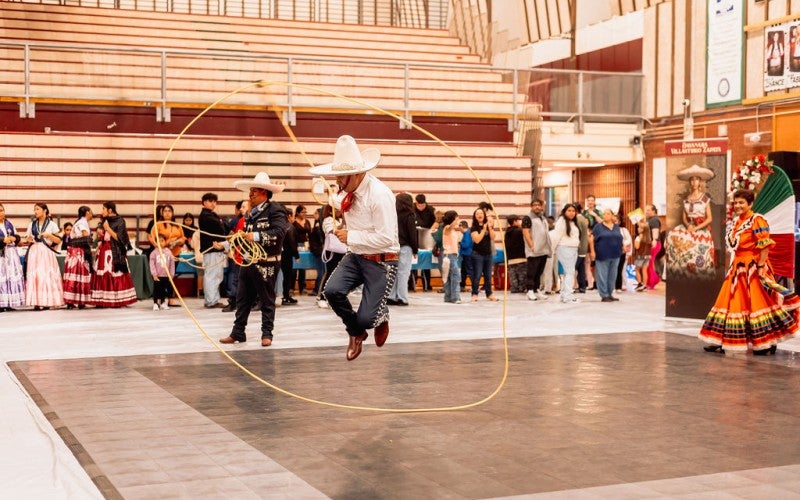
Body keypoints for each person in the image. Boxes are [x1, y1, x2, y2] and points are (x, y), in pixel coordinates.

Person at [310, 135, 398, 361]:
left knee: (367, 318)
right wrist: (330, 224)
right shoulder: (346, 192)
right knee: (331, 291)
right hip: (356, 254)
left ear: (357, 173)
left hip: (382, 260)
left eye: (341, 176)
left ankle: (378, 315)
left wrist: (350, 235)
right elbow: (335, 208)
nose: (337, 180)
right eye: (336, 175)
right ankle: (355, 332)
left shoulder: (379, 195)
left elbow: (387, 238)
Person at [700, 189, 799, 355]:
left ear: (750, 204)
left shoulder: (757, 220)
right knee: (729, 302)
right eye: (736, 202)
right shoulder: (736, 222)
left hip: (753, 267)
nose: (738, 205)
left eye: (741, 203)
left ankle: (766, 341)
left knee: (758, 303)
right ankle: (720, 339)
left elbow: (765, 245)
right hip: (737, 268)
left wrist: (760, 267)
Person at [219, 172, 289, 347]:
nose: (250, 194)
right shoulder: (250, 214)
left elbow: (279, 233)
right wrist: (230, 243)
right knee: (242, 299)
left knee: (266, 299)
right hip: (248, 261)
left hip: (267, 262)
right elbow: (244, 237)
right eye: (250, 191)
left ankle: (267, 333)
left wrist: (255, 236)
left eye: (254, 191)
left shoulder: (276, 210)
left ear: (264, 192)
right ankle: (238, 332)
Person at [666, 164, 716, 278]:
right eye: (692, 180)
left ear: (700, 182)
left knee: (699, 248)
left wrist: (696, 228)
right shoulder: (686, 199)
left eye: (696, 179)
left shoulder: (704, 199)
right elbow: (684, 217)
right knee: (672, 236)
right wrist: (688, 225)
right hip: (689, 226)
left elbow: (710, 218)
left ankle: (700, 274)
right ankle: (680, 271)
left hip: (701, 227)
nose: (694, 182)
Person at [90, 201, 138, 308]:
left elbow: (120, 238)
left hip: (114, 251)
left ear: (110, 210)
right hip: (104, 249)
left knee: (113, 273)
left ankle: (116, 299)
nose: (102, 211)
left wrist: (108, 229)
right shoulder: (105, 221)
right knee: (102, 273)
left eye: (103, 209)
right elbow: (104, 236)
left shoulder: (120, 221)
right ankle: (102, 299)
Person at [24, 203, 64, 310]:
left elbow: (59, 240)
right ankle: (36, 301)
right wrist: (28, 239)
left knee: (46, 275)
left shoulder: (52, 224)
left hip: (46, 251)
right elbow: (27, 238)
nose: (35, 211)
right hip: (35, 251)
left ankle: (48, 300)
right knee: (36, 276)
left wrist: (49, 235)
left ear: (45, 210)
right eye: (34, 209)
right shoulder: (31, 224)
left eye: (37, 209)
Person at [198, 192, 228, 308]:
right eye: (210, 201)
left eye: (215, 201)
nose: (213, 203)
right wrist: (221, 223)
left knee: (216, 275)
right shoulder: (206, 216)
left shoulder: (211, 214)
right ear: (204, 202)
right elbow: (220, 227)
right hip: (212, 249)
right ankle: (211, 301)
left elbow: (222, 226)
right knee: (212, 275)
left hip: (216, 249)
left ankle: (213, 299)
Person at [388, 192, 417, 306]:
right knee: (403, 273)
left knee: (393, 272)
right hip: (405, 247)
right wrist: (415, 250)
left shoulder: (392, 214)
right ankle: (402, 297)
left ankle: (391, 296)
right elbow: (412, 234)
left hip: (393, 246)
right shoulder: (409, 215)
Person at [154, 204, 185, 306]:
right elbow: (156, 240)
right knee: (161, 278)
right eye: (165, 211)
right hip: (162, 256)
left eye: (169, 211)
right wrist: (168, 242)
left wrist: (177, 241)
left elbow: (183, 239)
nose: (167, 213)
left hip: (175, 255)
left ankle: (171, 299)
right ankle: (159, 299)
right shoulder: (158, 225)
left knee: (171, 277)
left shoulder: (177, 225)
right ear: (162, 213)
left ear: (172, 213)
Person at [63, 206, 94, 309]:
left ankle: (72, 300)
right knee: (78, 275)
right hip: (79, 252)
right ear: (87, 212)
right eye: (91, 212)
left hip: (73, 252)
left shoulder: (79, 222)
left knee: (74, 275)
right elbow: (85, 235)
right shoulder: (82, 222)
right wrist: (89, 239)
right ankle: (78, 301)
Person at [590, 209, 624, 302]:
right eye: (604, 214)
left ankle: (610, 293)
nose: (605, 215)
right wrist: (592, 251)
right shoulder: (598, 227)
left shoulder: (616, 227)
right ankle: (604, 295)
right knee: (602, 275)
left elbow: (619, 238)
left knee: (612, 275)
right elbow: (591, 239)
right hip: (602, 254)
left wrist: (623, 246)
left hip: (616, 254)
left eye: (608, 214)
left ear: (612, 216)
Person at [317, 203, 347, 308]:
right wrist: (342, 225)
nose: (340, 212)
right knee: (330, 272)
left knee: (339, 274)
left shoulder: (340, 220)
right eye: (338, 210)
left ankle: (333, 296)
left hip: (343, 250)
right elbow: (331, 231)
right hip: (333, 251)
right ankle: (321, 296)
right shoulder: (328, 220)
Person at [222, 200, 249, 313]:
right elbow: (236, 239)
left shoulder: (251, 221)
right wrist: (225, 245)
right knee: (236, 280)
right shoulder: (240, 221)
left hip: (248, 256)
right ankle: (233, 302)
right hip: (239, 255)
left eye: (244, 207)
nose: (241, 209)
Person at [523, 199, 552, 301]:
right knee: (532, 271)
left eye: (538, 205)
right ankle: (530, 290)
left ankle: (536, 290)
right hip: (534, 250)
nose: (537, 207)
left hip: (543, 249)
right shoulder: (527, 218)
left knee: (539, 272)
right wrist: (532, 245)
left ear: (541, 206)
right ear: (531, 207)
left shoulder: (543, 218)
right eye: (534, 205)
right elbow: (526, 232)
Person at [552, 203, 581, 304]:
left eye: (573, 211)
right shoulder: (562, 221)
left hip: (573, 249)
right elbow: (556, 236)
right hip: (564, 248)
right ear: (564, 211)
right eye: (569, 210)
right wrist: (552, 250)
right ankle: (568, 296)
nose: (572, 213)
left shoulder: (573, 222)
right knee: (570, 272)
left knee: (567, 272)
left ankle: (564, 295)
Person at [469, 206, 498, 302]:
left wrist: (489, 227)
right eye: (477, 213)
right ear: (475, 216)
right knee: (477, 275)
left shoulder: (488, 226)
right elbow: (477, 240)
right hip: (477, 254)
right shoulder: (474, 228)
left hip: (488, 254)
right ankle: (474, 294)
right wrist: (483, 230)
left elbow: (493, 237)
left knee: (488, 275)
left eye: (481, 213)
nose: (479, 215)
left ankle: (489, 294)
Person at [0, 203, 25, 311]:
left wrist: (15, 238)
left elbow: (17, 236)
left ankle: (9, 302)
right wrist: (2, 241)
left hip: (11, 255)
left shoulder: (8, 223)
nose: (1, 213)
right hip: (1, 254)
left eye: (2, 210)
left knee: (10, 278)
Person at [413, 193, 435, 291]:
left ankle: (427, 285)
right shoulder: (412, 209)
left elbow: (436, 221)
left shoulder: (431, 210)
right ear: (416, 203)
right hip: (415, 237)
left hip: (426, 237)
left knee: (426, 262)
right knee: (413, 263)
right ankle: (411, 284)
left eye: (423, 205)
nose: (421, 207)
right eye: (419, 205)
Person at [149, 233, 176, 311]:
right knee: (157, 289)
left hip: (166, 275)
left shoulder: (168, 252)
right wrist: (154, 274)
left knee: (164, 289)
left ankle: (163, 302)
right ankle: (155, 303)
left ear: (165, 242)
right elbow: (152, 264)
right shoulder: (154, 253)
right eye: (158, 241)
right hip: (157, 275)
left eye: (162, 241)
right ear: (156, 242)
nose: (160, 243)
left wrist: (171, 274)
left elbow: (172, 264)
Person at [440, 210, 461, 304]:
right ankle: (455, 297)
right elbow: (451, 226)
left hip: (453, 254)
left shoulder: (452, 230)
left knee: (449, 276)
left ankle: (448, 296)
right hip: (449, 255)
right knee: (455, 275)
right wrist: (455, 220)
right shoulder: (447, 228)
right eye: (457, 217)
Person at [280, 210, 299, 305]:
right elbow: (292, 242)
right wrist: (296, 255)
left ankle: (286, 295)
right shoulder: (290, 227)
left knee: (284, 276)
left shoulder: (281, 226)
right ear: (289, 216)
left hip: (280, 254)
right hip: (287, 255)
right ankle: (286, 296)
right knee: (287, 276)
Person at [503, 215, 527, 293]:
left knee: (513, 279)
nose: (520, 222)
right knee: (522, 279)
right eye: (519, 220)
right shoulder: (520, 231)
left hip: (511, 259)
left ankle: (514, 289)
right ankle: (521, 290)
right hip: (521, 258)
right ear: (514, 221)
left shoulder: (507, 233)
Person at [293, 205, 311, 295]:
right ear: (297, 213)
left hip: (304, 245)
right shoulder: (293, 222)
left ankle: (302, 287)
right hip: (295, 245)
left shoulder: (307, 221)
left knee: (303, 267)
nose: (304, 214)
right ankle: (291, 287)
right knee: (294, 267)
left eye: (305, 212)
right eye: (302, 212)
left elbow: (310, 234)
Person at [572, 202, 591, 293]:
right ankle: (582, 286)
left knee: (573, 267)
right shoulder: (583, 218)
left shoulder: (577, 219)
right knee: (581, 268)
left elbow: (577, 234)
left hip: (578, 247)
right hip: (583, 246)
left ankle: (572, 286)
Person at [645, 204, 662, 289]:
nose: (646, 211)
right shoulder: (649, 219)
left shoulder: (654, 220)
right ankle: (655, 279)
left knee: (649, 263)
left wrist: (654, 240)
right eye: (646, 210)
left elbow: (655, 231)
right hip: (650, 243)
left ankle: (651, 283)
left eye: (648, 210)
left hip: (654, 243)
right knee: (649, 263)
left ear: (653, 211)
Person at [615, 213, 632, 292]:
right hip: (613, 251)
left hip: (622, 251)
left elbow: (629, 241)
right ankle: (614, 285)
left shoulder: (624, 230)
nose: (615, 222)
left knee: (622, 269)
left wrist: (628, 253)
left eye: (616, 220)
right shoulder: (610, 229)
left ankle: (622, 284)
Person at [633, 219, 652, 292]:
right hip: (647, 255)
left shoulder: (638, 238)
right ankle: (645, 285)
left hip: (640, 255)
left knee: (637, 269)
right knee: (644, 270)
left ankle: (639, 283)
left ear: (643, 230)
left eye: (640, 228)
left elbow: (637, 247)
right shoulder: (648, 238)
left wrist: (635, 242)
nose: (638, 228)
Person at [458, 219, 473, 292]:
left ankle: (474, 286)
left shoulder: (467, 234)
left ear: (461, 227)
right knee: (463, 271)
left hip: (467, 255)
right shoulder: (467, 233)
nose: (459, 230)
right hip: (466, 255)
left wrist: (460, 244)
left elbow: (466, 245)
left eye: (459, 228)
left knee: (469, 271)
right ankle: (462, 285)